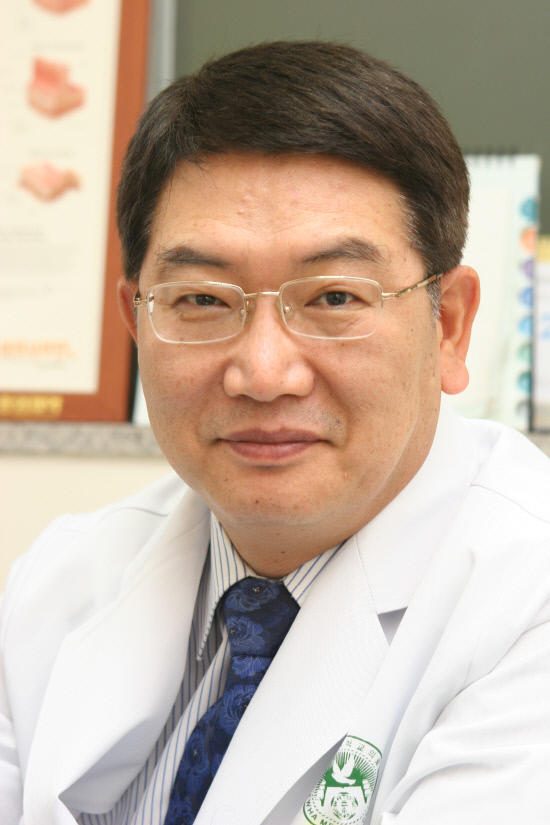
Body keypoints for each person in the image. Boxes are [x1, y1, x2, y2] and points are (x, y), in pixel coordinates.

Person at [1, 40, 550, 825]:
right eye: (202, 300)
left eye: (334, 297)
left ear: (451, 326)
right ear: (136, 322)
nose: (263, 373)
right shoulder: (57, 581)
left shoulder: (529, 599)